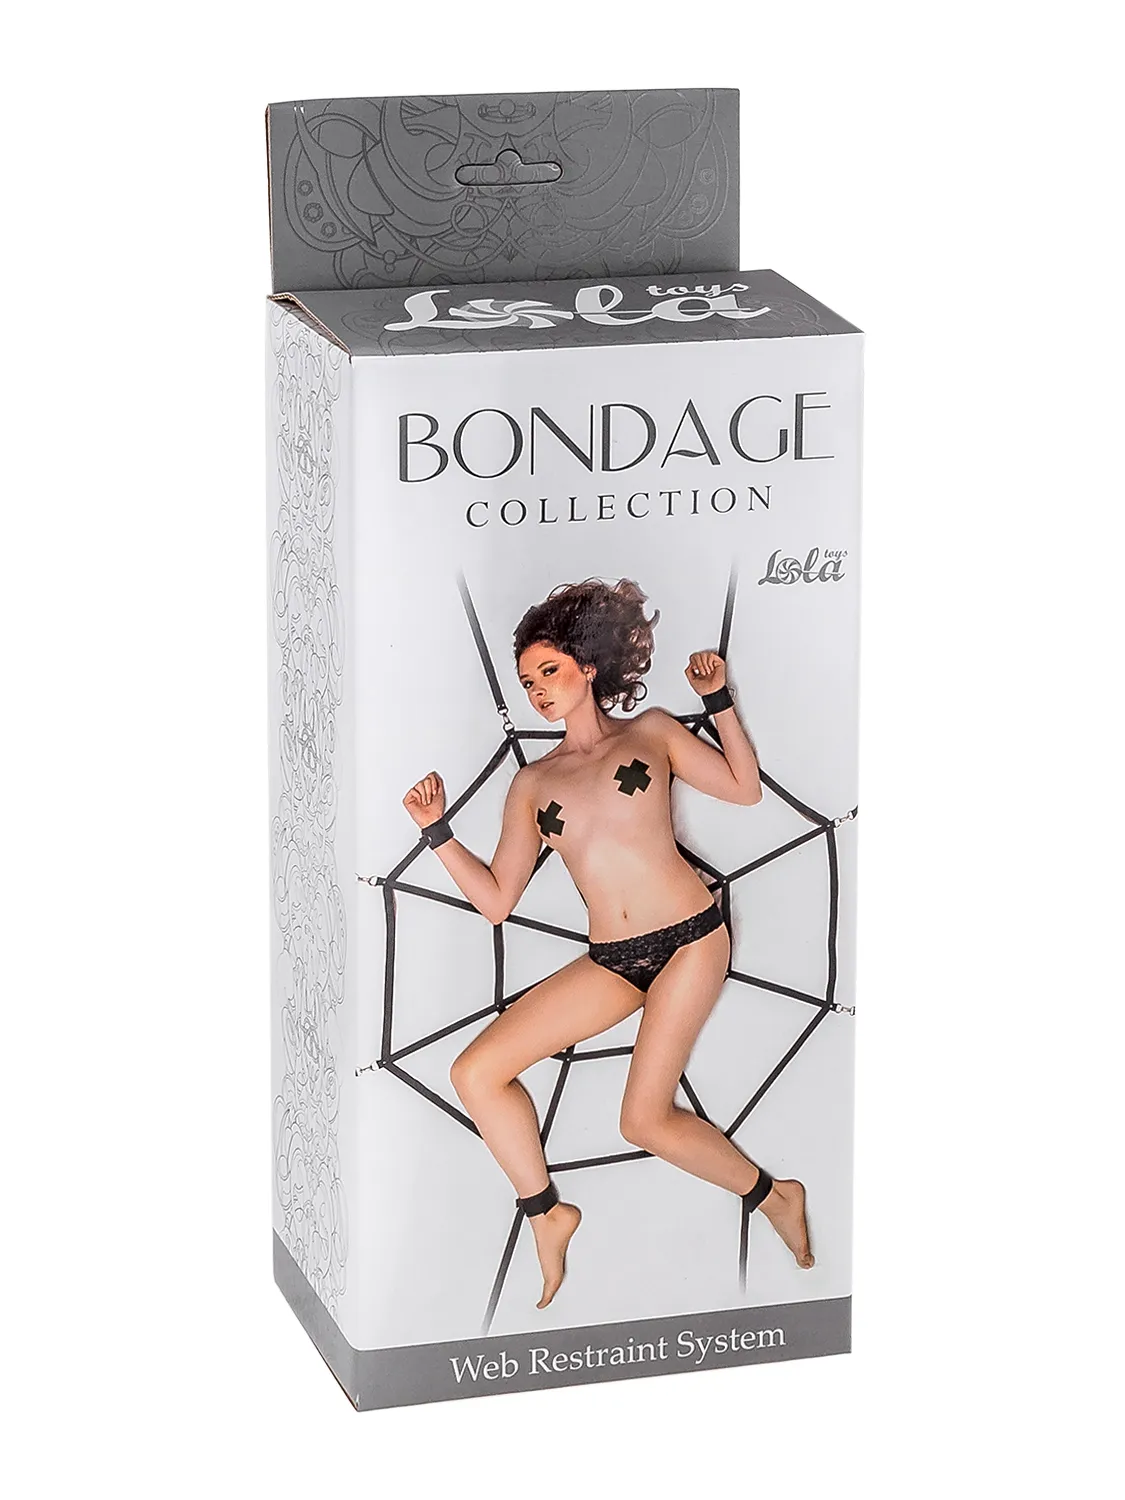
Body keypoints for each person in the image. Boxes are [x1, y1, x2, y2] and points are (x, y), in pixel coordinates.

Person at [402, 578, 813, 1309]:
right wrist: (437, 833)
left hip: (690, 940)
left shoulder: (649, 733)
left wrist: (717, 700)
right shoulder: (533, 785)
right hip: (612, 961)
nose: (538, 690)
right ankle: (546, 1213)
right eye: (528, 683)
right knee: (475, 1072)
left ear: (588, 666)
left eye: (549, 671)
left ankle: (774, 1195)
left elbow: (743, 788)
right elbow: (495, 902)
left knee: (643, 1120)